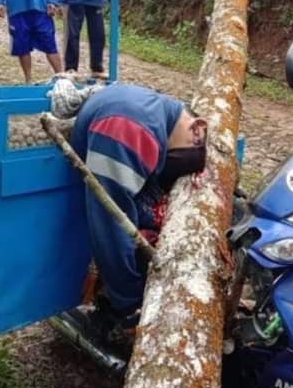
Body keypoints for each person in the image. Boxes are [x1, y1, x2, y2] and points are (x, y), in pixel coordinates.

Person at [69, 83, 208, 336]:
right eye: (180, 155)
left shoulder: (159, 112)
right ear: (197, 128)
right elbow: (111, 225)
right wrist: (130, 299)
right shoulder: (133, 131)